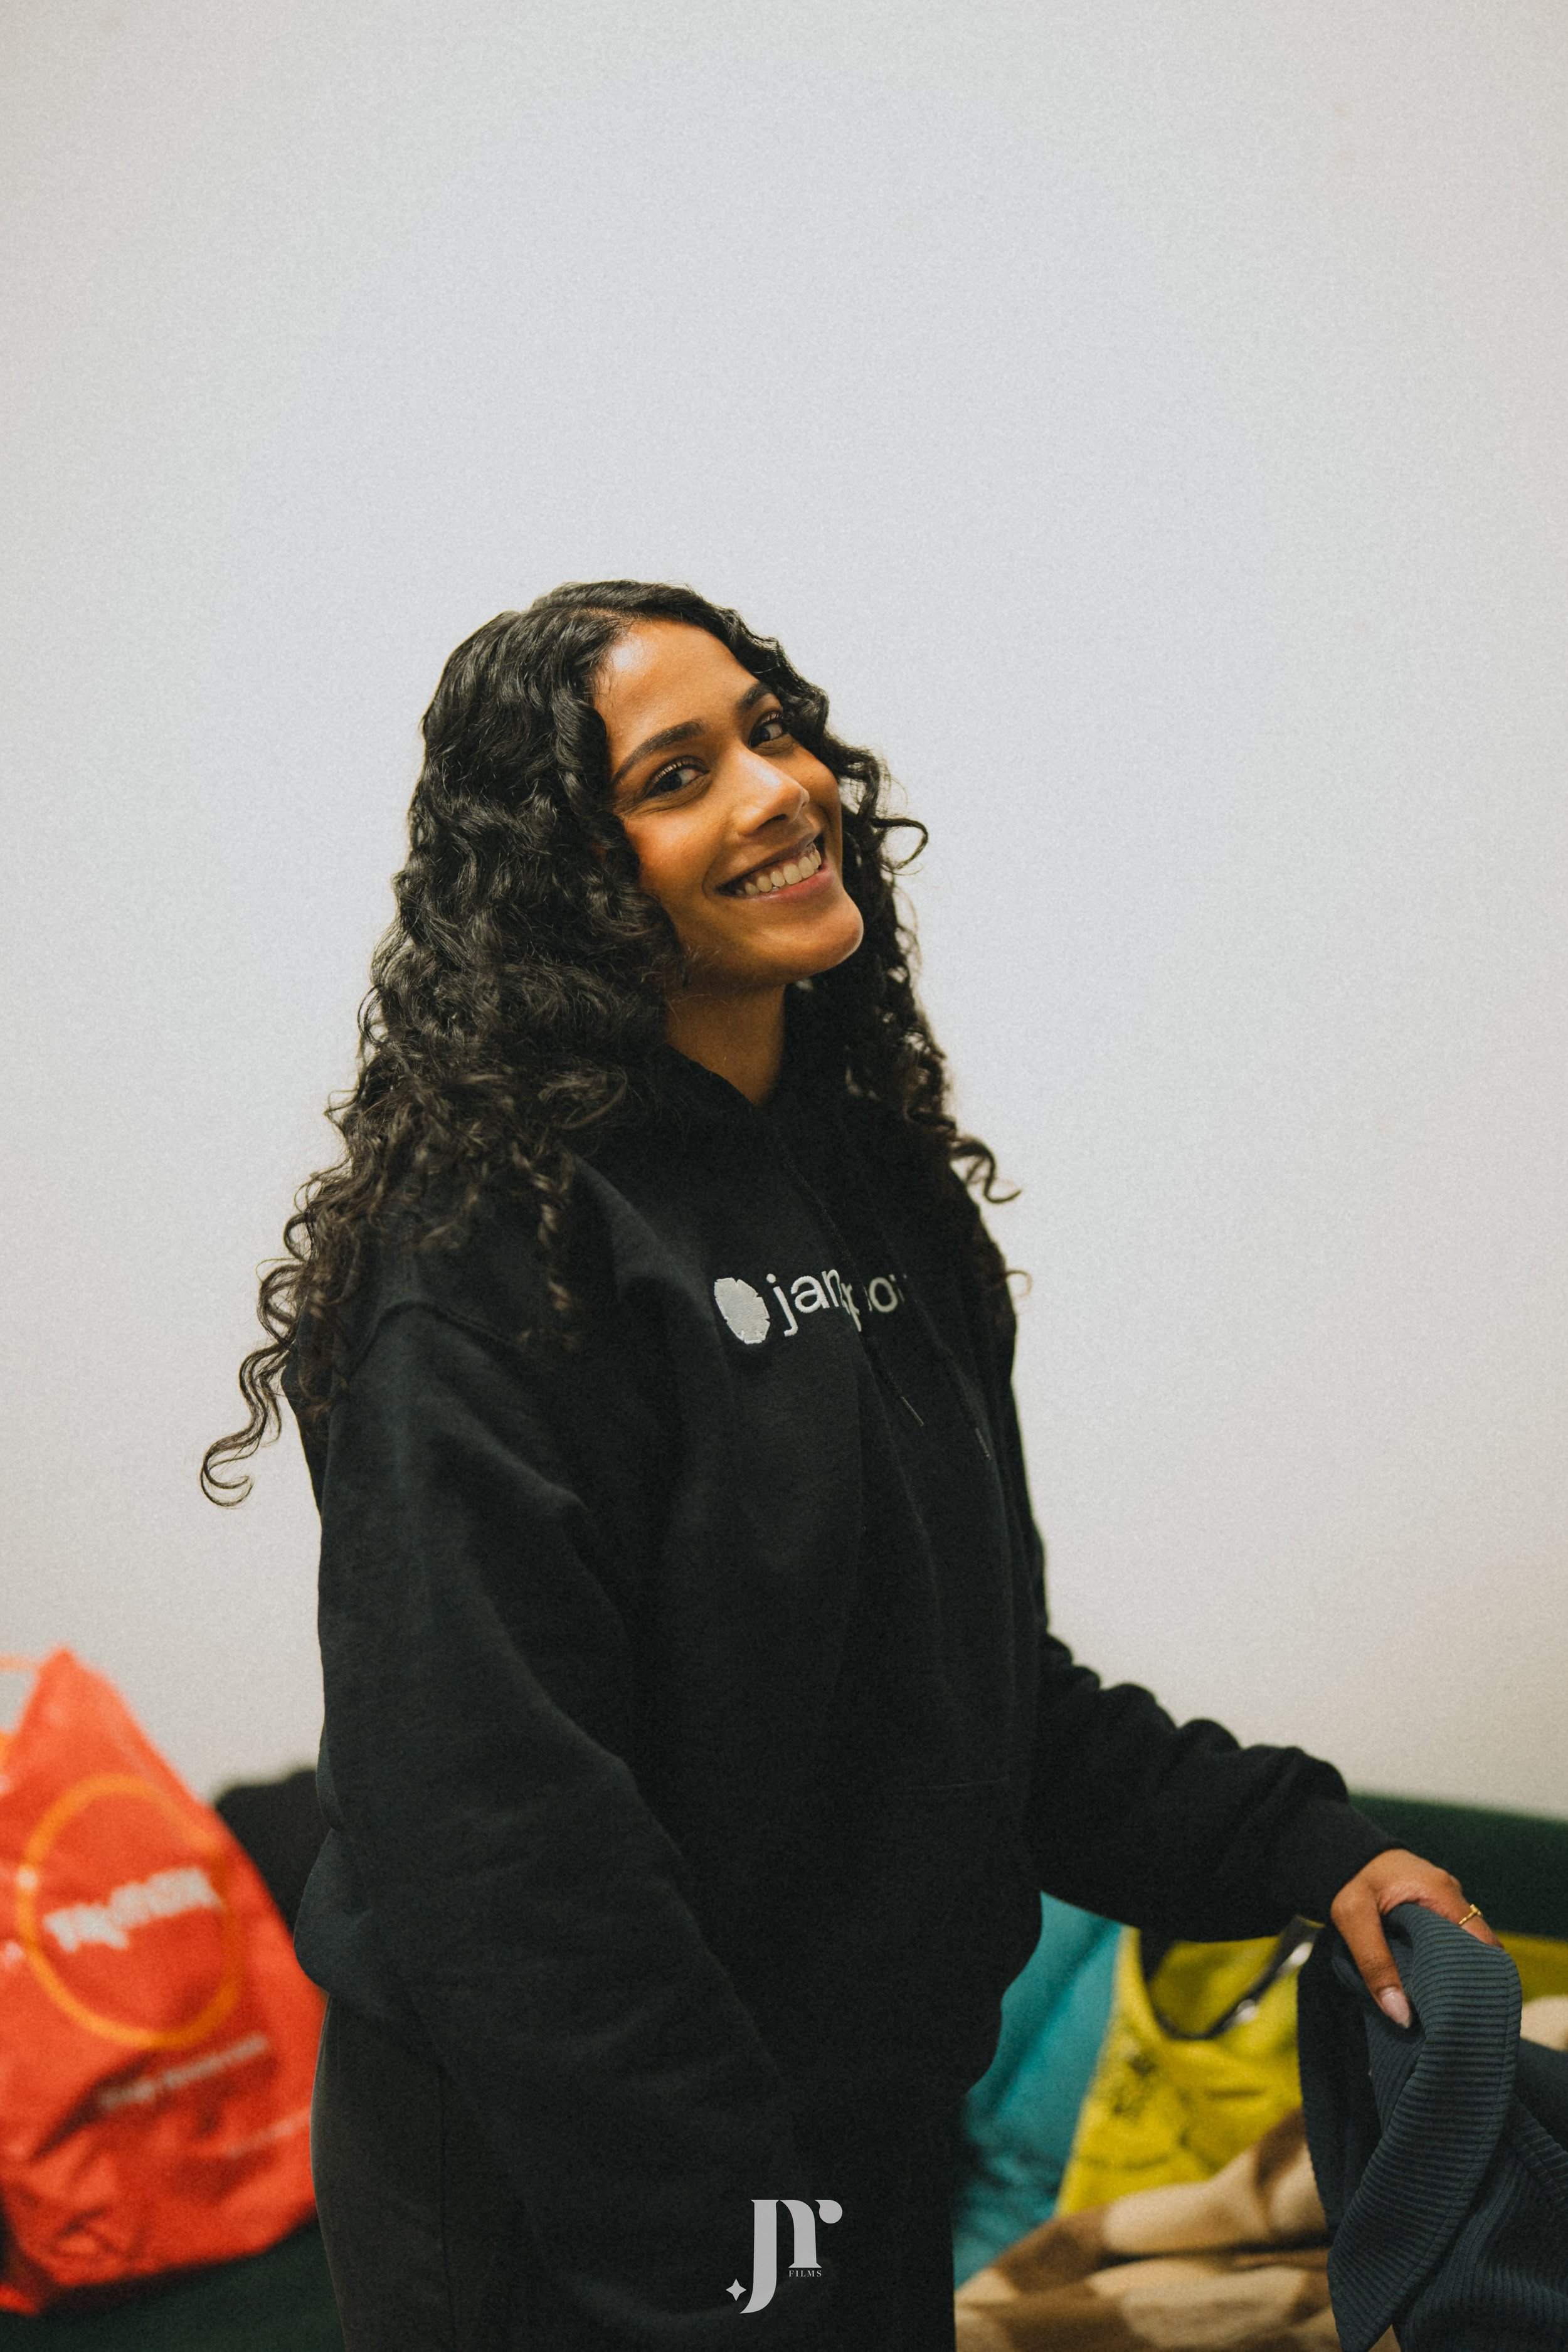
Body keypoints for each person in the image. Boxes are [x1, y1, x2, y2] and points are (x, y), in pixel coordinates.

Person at [203, 580, 1498, 2352]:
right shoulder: (486, 1257)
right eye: (676, 775)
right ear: (562, 876)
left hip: (860, 2126)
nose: (776, 788)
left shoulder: (872, 1183)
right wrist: (749, 2253)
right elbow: (508, 1857)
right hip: (580, 2180)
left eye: (771, 728)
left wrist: (1304, 1849)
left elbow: (965, 1689)